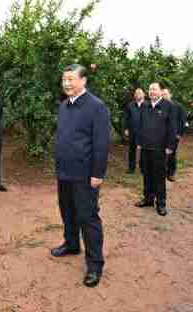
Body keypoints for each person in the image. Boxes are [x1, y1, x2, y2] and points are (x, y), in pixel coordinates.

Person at [50, 64, 110, 288]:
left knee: (88, 217)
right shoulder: (64, 105)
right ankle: (72, 244)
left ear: (83, 81)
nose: (66, 83)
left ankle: (95, 265)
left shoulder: (97, 107)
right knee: (67, 211)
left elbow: (101, 143)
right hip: (64, 171)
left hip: (85, 175)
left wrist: (97, 173)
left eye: (71, 79)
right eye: (64, 79)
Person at [135, 83, 178, 216]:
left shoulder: (168, 106)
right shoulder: (145, 106)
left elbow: (172, 127)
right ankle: (148, 199)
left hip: (160, 149)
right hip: (145, 147)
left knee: (159, 177)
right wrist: (139, 142)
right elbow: (140, 126)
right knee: (146, 174)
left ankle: (161, 203)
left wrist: (171, 146)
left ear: (161, 91)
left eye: (154, 89)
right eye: (150, 89)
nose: (152, 92)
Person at [161, 88, 186, 182]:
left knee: (171, 154)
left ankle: (171, 173)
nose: (164, 96)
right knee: (161, 154)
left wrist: (179, 133)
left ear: (170, 95)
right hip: (161, 135)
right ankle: (161, 172)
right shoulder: (159, 106)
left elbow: (182, 120)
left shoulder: (178, 106)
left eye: (165, 94)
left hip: (174, 135)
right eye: (162, 94)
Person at [123, 88, 145, 174]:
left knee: (144, 151)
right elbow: (126, 118)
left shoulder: (148, 105)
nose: (138, 94)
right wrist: (125, 128)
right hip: (132, 131)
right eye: (136, 93)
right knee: (131, 150)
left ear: (144, 95)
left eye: (140, 93)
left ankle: (143, 168)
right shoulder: (130, 105)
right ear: (134, 95)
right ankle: (131, 168)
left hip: (144, 132)